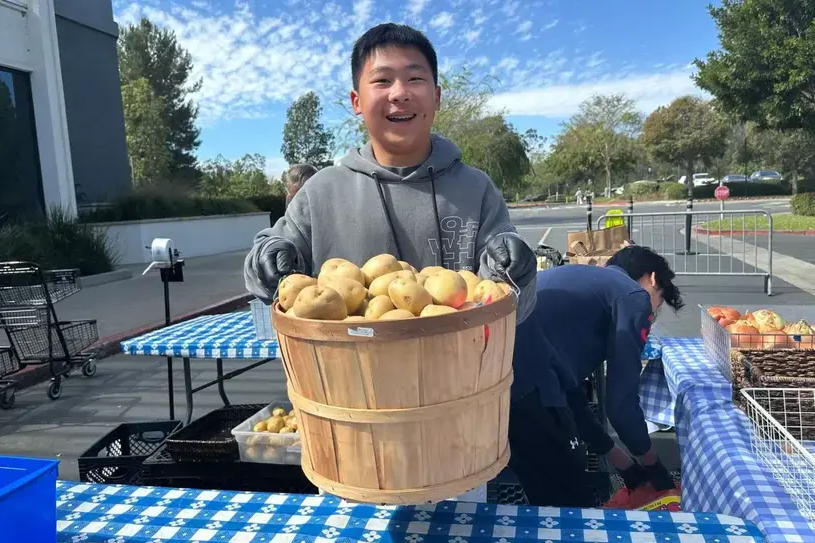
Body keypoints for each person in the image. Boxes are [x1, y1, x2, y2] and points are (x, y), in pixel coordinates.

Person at [243, 23, 537, 323]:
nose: (399, 93)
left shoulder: (476, 190)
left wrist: (519, 271)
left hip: (459, 365)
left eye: (415, 78)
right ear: (356, 101)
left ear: (436, 97)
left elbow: (513, 306)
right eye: (382, 80)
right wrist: (268, 260)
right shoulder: (321, 192)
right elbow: (263, 267)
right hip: (346, 368)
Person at [508, 244, 684, 507]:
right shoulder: (632, 294)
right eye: (657, 301)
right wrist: (653, 465)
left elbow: (570, 396)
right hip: (533, 387)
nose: (651, 313)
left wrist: (625, 465)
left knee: (546, 501)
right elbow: (621, 403)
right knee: (569, 511)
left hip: (506, 388)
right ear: (652, 278)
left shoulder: (580, 282)